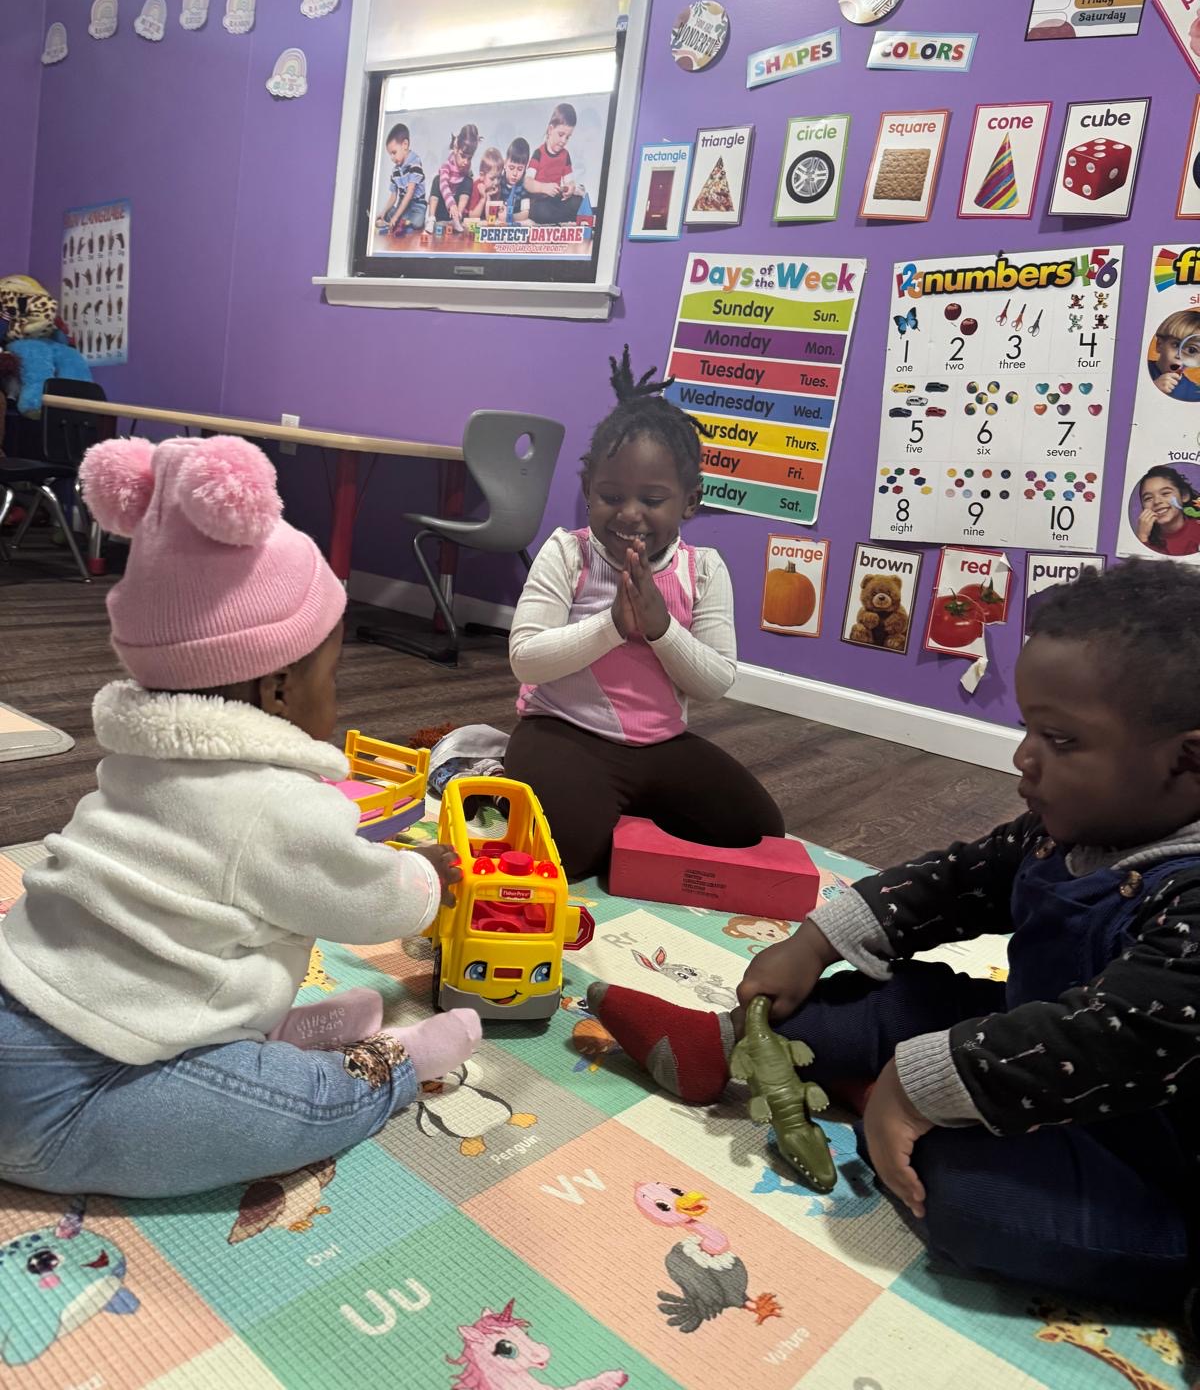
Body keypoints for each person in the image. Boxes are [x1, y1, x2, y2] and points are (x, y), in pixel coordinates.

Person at [588, 558, 1200, 1323]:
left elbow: (1113, 1036)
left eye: (1061, 740)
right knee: (886, 995)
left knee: (969, 1202)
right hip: (1025, 1054)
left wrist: (922, 1086)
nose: (1023, 759)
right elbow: (959, 879)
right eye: (1026, 729)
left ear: (1188, 760)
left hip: (1153, 1160)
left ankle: (879, 1092)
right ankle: (725, 1046)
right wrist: (816, 941)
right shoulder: (1076, 826)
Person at [0, 435, 481, 1199]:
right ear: (281, 691)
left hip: (23, 1001)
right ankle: (388, 1068)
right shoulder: (271, 802)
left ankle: (250, 1035)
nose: (336, 698)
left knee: (207, 1001)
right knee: (281, 1113)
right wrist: (428, 879)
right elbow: (358, 893)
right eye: (333, 677)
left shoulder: (138, 761)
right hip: (68, 1097)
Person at [504, 348, 784, 881]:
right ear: (588, 491)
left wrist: (659, 628)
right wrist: (612, 626)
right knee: (566, 860)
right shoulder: (568, 553)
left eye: (653, 499)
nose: (630, 513)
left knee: (760, 830)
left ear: (689, 502)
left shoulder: (703, 570)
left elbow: (716, 681)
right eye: (611, 495)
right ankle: (551, 789)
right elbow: (526, 661)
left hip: (660, 745)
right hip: (563, 729)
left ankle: (614, 810)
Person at [525, 103, 583, 224]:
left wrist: (570, 188)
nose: (563, 141)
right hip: (540, 202)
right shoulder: (539, 153)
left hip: (556, 200)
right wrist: (543, 188)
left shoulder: (565, 155)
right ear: (551, 130)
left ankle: (560, 218)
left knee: (578, 202)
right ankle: (562, 219)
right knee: (541, 211)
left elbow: (569, 181)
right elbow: (527, 182)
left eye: (568, 137)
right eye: (561, 135)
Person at [1134, 464, 1200, 557]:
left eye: (1165, 493)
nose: (1157, 501)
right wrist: (1142, 538)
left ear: (1184, 496)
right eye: (1148, 498)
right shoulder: (1145, 538)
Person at [375, 122, 427, 237]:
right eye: (390, 155)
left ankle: (400, 220)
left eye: (394, 153)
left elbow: (410, 193)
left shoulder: (415, 163)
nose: (392, 158)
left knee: (417, 223)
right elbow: (393, 196)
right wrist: (383, 212)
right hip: (403, 204)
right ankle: (399, 220)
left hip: (417, 205)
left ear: (405, 144)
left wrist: (395, 216)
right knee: (390, 214)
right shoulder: (395, 171)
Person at [429, 123, 480, 233]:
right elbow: (443, 186)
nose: (465, 162)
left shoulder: (466, 167)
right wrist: (451, 204)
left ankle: (457, 219)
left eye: (469, 158)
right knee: (437, 180)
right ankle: (431, 219)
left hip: (456, 210)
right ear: (456, 149)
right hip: (444, 206)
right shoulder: (446, 166)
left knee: (468, 181)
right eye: (463, 156)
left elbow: (467, 185)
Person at [1149, 311, 1200, 403]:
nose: (1179, 356)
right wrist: (1152, 391)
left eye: (1191, 350)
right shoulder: (1138, 370)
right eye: (1176, 345)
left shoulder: (1194, 393)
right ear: (1159, 344)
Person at [497, 137, 532, 224]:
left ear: (525, 168)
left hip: (512, 220)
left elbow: (525, 213)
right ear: (505, 164)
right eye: (511, 168)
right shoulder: (498, 182)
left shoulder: (524, 187)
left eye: (520, 169)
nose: (515, 173)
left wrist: (510, 217)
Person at [466, 146, 504, 220]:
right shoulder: (477, 186)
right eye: (492, 178)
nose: (496, 182)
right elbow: (472, 216)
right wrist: (483, 198)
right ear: (482, 175)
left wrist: (488, 197)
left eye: (499, 178)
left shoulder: (497, 188)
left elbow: (490, 218)